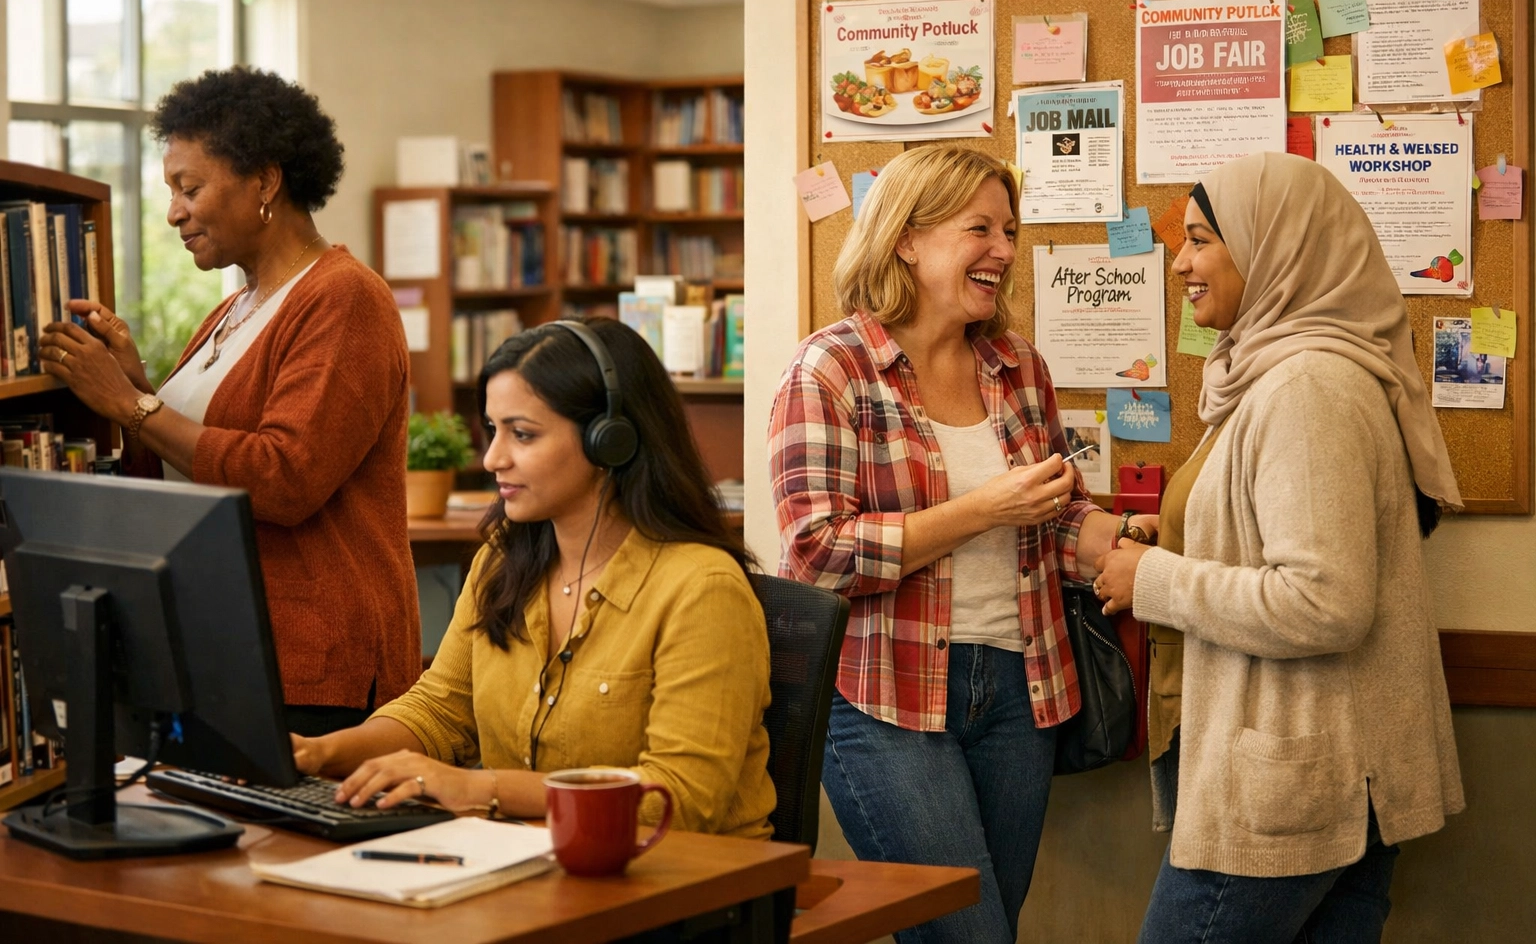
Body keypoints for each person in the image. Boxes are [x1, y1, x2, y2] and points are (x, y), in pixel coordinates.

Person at [769, 143, 1155, 943]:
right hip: (881, 697)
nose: (1005, 252)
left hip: (1022, 688)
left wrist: (1117, 536)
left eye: (1008, 231)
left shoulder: (1017, 366)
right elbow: (817, 556)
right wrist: (980, 509)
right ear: (908, 238)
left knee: (989, 931)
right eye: (981, 228)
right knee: (966, 937)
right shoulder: (832, 370)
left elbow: (1052, 518)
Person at [1092, 152, 1465, 944]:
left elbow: (1324, 602)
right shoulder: (1283, 373)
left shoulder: (1306, 389)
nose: (1181, 262)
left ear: (1273, 247)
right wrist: (1189, 533)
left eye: (1200, 239)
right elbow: (1289, 534)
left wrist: (1153, 578)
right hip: (1322, 780)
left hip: (1290, 793)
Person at [38, 66, 419, 736]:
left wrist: (132, 407)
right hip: (224, 640)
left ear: (266, 181)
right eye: (172, 192)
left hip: (315, 664)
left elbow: (284, 476)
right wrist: (139, 390)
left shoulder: (345, 298)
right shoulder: (230, 311)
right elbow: (195, 473)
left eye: (190, 187)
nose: (174, 211)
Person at [290, 319, 775, 836]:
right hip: (534, 864)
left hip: (683, 886)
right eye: (493, 430)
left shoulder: (700, 589)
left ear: (610, 441)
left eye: (522, 434)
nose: (493, 457)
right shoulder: (504, 562)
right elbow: (440, 710)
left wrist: (480, 788)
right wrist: (321, 753)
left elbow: (681, 798)